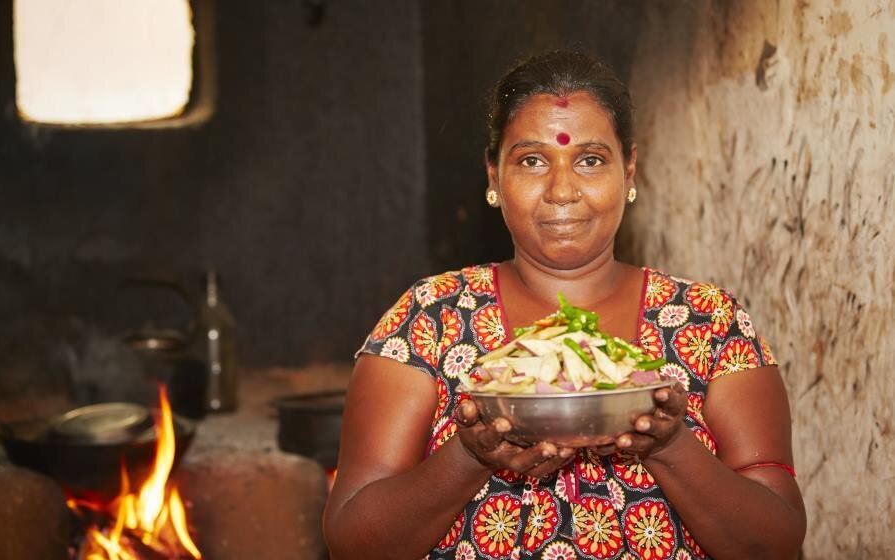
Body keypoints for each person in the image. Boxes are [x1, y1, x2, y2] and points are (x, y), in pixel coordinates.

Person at [323, 50, 806, 560]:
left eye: (590, 160)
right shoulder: (432, 317)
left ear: (630, 169)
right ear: (493, 177)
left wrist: (669, 446)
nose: (561, 191)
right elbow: (353, 540)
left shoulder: (709, 322)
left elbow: (775, 541)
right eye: (532, 160)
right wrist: (468, 457)